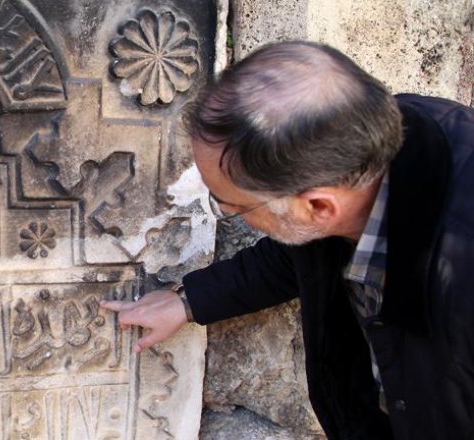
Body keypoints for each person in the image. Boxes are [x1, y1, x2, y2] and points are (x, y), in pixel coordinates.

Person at [100, 41, 474, 440]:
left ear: (318, 206)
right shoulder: (356, 151)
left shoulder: (462, 278)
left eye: (231, 205)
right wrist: (189, 301)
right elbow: (298, 256)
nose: (224, 211)